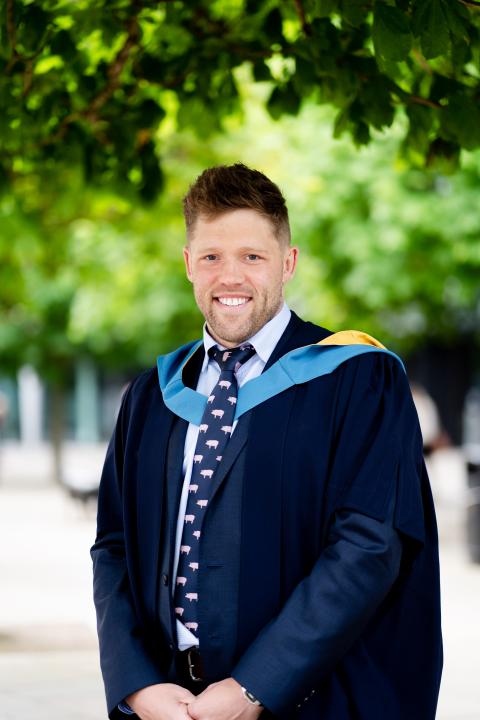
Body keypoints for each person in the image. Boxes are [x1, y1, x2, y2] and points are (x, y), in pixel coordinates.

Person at [91, 163, 442, 720]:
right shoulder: (152, 395)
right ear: (188, 265)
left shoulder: (356, 377)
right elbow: (113, 547)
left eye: (252, 257)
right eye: (211, 257)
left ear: (288, 262)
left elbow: (369, 546)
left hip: (309, 700)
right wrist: (135, 684)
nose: (230, 277)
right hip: (169, 703)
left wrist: (254, 688)